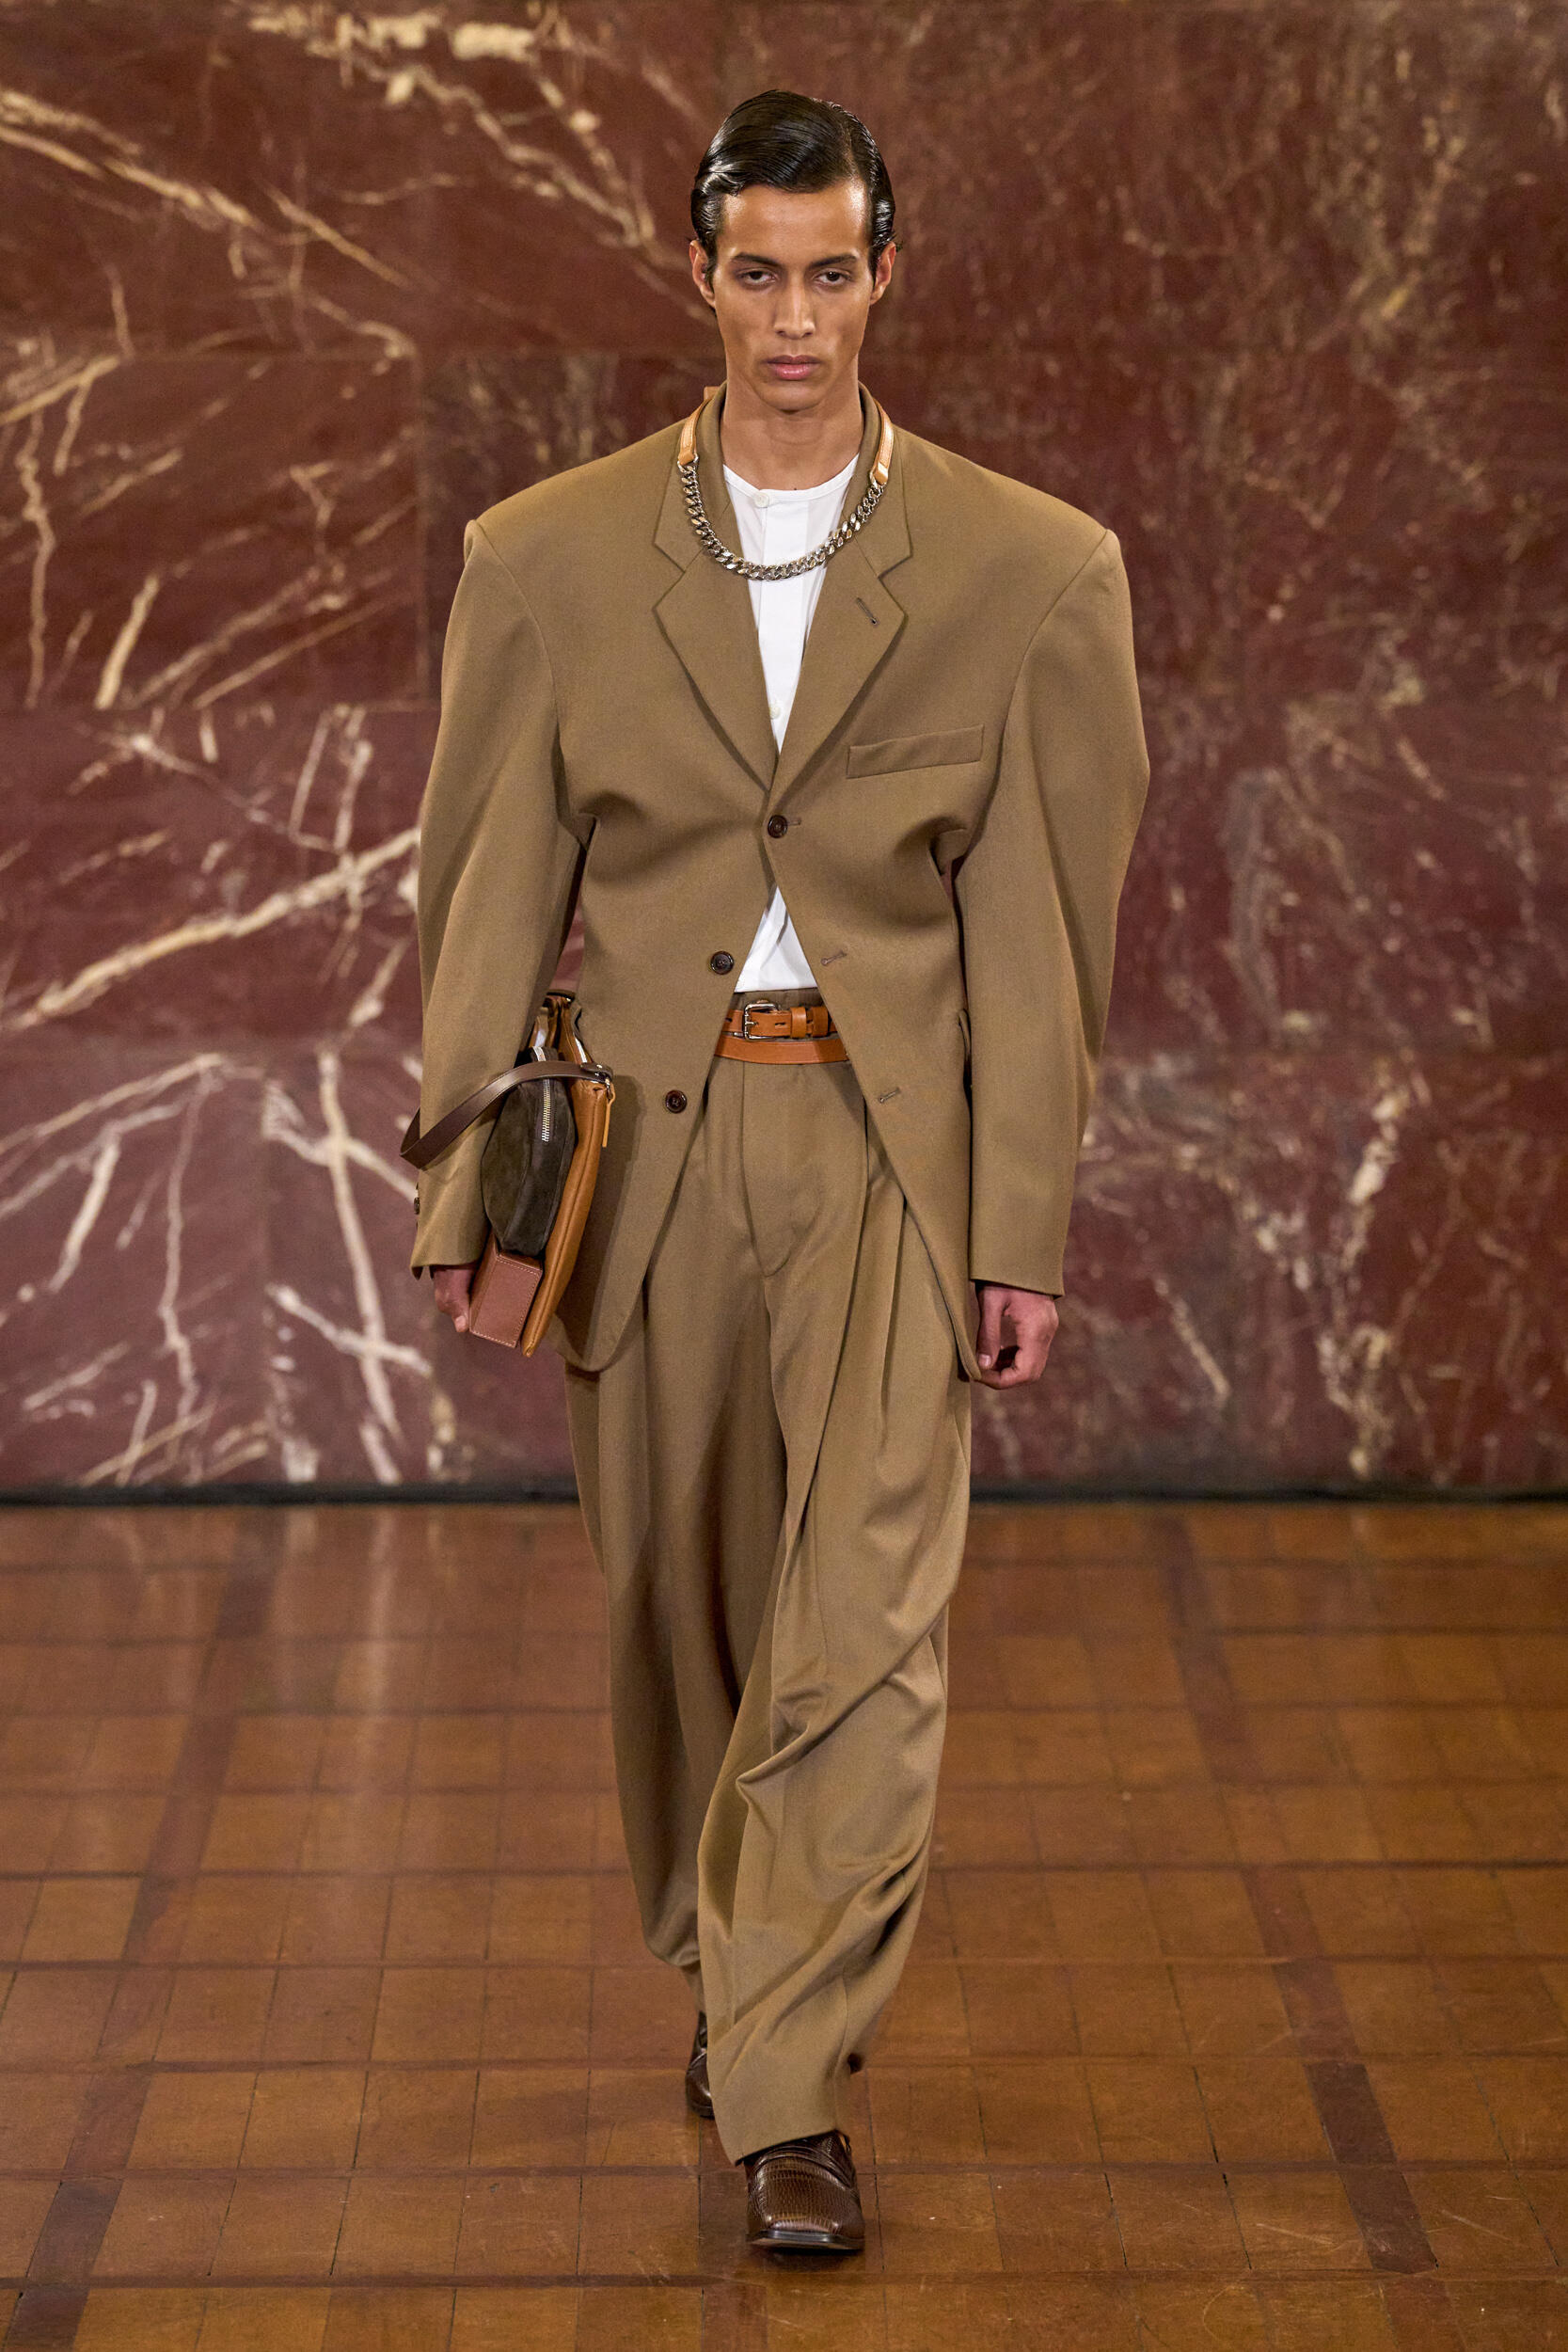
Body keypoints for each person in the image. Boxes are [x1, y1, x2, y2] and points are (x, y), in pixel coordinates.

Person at [412, 89, 1148, 2254]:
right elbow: (484, 893)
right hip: (647, 1157)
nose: (799, 317)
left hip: (889, 1156)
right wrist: (463, 1190)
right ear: (704, 275)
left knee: (869, 1632)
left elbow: (1046, 941)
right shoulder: (547, 561)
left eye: (835, 272)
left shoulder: (1030, 570)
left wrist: (1023, 1230)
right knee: (681, 1617)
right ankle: (735, 1966)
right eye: (761, 272)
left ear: (886, 272)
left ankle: (794, 2085)